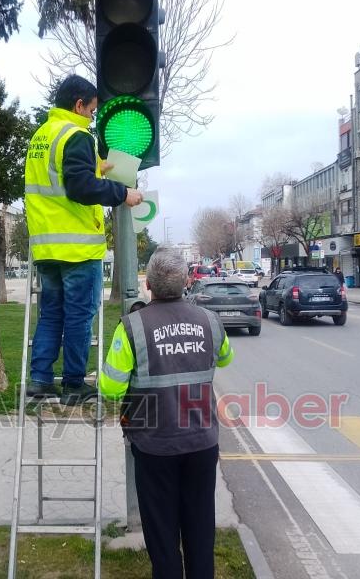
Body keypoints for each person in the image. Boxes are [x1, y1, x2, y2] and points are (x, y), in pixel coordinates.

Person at [99, 247, 234, 579]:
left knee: (162, 532)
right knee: (200, 526)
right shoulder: (210, 321)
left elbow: (111, 388)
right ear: (188, 281)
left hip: (155, 446)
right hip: (202, 443)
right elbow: (226, 358)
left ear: (149, 286)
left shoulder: (132, 326)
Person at [24, 74, 143, 405]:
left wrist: (98, 168)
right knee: (79, 316)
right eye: (91, 110)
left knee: (51, 314)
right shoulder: (76, 135)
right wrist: (123, 193)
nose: (92, 116)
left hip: (47, 247)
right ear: (78, 105)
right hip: (76, 249)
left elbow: (62, 180)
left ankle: (40, 380)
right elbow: (79, 188)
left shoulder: (43, 136)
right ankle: (74, 384)